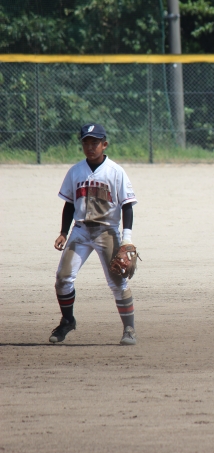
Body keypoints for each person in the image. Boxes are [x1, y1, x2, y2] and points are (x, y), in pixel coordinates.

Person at [49, 123, 138, 346]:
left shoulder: (115, 171)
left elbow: (127, 205)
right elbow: (70, 204)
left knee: (117, 282)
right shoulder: (75, 171)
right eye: (86, 142)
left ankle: (129, 329)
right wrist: (63, 232)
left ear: (104, 144)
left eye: (95, 143)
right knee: (62, 279)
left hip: (106, 230)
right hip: (80, 231)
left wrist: (126, 238)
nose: (90, 147)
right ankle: (67, 321)